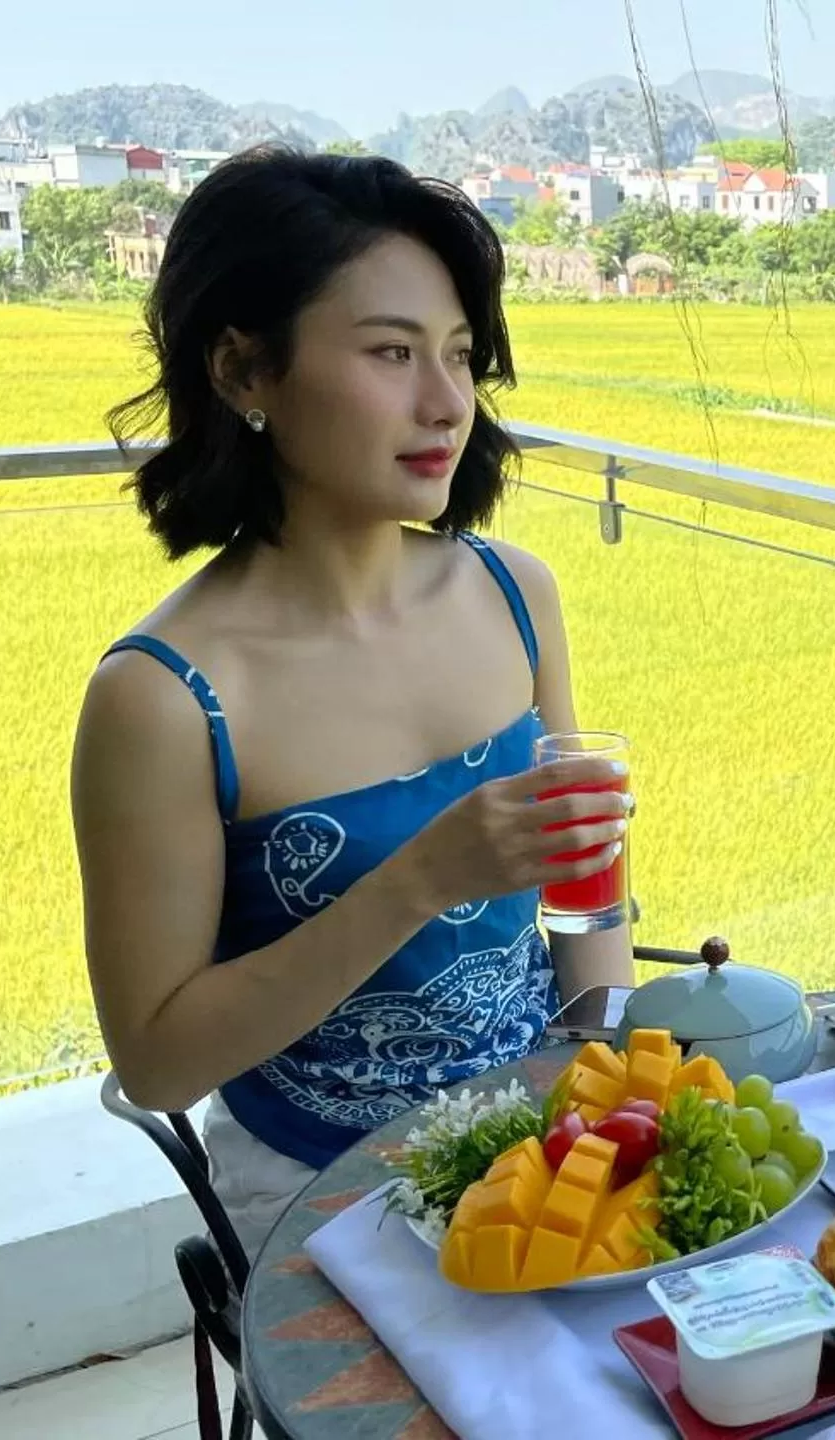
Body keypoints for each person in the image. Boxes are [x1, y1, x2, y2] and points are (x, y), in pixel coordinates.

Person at [71, 146, 633, 1256]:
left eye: (462, 357)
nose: (445, 404)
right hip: (318, 1185)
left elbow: (587, 902)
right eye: (391, 353)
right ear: (243, 371)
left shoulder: (514, 593)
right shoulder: (166, 698)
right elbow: (159, 1058)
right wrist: (421, 880)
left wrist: (605, 1080)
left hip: (549, 1124)